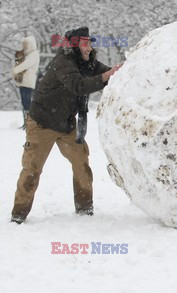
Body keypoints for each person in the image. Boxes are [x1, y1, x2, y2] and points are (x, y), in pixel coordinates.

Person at [10, 27, 122, 224]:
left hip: (67, 124)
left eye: (90, 43)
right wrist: (107, 76)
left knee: (82, 164)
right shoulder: (63, 62)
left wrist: (120, 70)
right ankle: (18, 215)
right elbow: (79, 86)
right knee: (31, 170)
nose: (89, 47)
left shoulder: (88, 62)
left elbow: (107, 73)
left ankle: (85, 209)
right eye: (85, 43)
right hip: (42, 123)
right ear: (74, 45)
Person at [11, 35, 40, 129]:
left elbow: (25, 65)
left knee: (27, 103)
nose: (24, 46)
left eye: (26, 44)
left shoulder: (34, 54)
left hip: (28, 82)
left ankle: (29, 123)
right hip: (23, 81)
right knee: (24, 102)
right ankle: (26, 123)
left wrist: (15, 70)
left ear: (31, 44)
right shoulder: (28, 54)